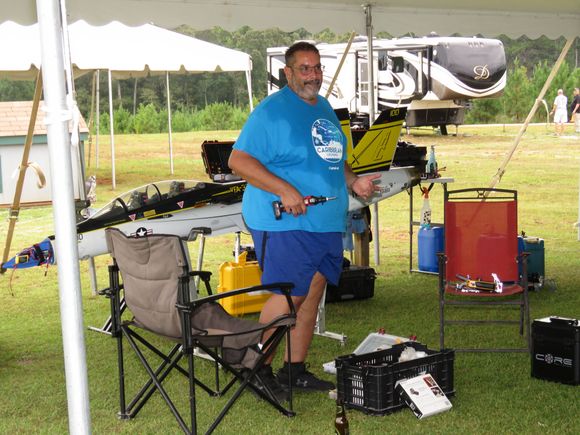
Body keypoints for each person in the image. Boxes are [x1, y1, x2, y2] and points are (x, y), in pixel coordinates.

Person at [228, 41, 380, 399]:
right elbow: (239, 161)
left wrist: (353, 181)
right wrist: (283, 189)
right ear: (288, 72)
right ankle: (254, 368)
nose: (313, 75)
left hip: (324, 221)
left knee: (311, 294)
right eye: (304, 68)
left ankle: (293, 370)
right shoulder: (272, 112)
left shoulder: (323, 107)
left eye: (317, 67)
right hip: (284, 222)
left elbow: (332, 158)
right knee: (289, 296)